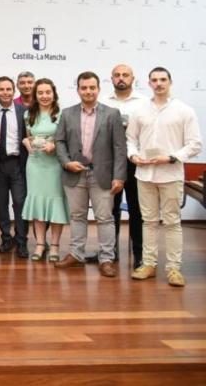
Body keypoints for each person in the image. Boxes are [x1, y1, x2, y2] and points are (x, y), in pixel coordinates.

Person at [128, 67, 202, 287]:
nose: (158, 83)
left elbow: (195, 144)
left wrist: (171, 157)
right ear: (149, 83)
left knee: (172, 222)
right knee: (148, 222)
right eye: (154, 80)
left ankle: (173, 269)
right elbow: (130, 139)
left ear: (170, 82)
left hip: (170, 174)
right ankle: (149, 264)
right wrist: (133, 155)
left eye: (162, 79)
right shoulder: (139, 110)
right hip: (144, 174)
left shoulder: (184, 110)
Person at [54, 72, 127, 278]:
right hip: (74, 174)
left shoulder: (112, 114)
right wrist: (67, 162)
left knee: (105, 218)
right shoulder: (67, 114)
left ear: (98, 89)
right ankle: (76, 255)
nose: (88, 91)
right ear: (78, 90)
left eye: (92, 87)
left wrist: (119, 176)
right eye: (84, 88)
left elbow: (119, 148)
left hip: (102, 175)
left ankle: (106, 259)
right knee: (77, 216)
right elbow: (59, 142)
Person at [103, 63, 146, 268]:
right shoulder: (103, 102)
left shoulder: (145, 102)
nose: (121, 78)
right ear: (111, 79)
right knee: (111, 211)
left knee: (137, 210)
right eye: (117, 75)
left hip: (135, 163)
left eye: (125, 75)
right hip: (110, 163)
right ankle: (110, 253)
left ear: (132, 78)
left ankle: (139, 255)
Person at [21, 78, 69, 261]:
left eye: (48, 92)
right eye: (40, 93)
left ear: (54, 93)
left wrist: (55, 145)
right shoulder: (28, 115)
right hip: (35, 163)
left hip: (54, 164)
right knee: (38, 204)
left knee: (55, 203)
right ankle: (40, 244)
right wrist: (26, 142)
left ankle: (55, 246)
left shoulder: (62, 114)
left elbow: (66, 139)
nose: (44, 96)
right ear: (35, 95)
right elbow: (28, 136)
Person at [0, 76, 29, 258]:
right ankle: (6, 239)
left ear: (14, 91)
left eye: (8, 89)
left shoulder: (24, 111)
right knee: (1, 204)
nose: (5, 92)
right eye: (1, 89)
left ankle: (21, 241)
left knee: (20, 204)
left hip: (17, 164)